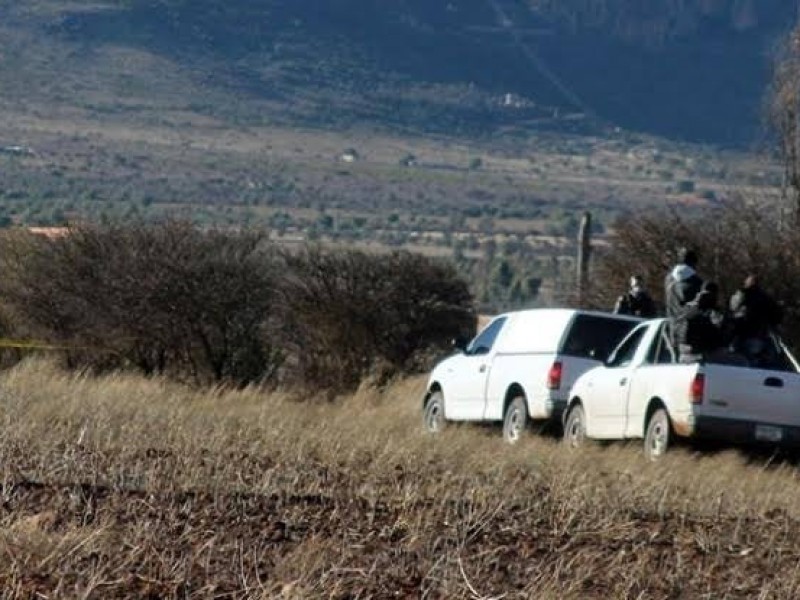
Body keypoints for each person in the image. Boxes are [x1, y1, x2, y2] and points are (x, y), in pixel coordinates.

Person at [729, 274, 782, 366]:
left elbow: (732, 307)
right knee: (753, 360)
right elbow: (777, 317)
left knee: (736, 360)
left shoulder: (743, 294)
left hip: (740, 334)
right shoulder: (766, 298)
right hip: (759, 336)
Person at [673, 281, 725, 363]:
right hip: (696, 351)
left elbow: (676, 323)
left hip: (691, 350)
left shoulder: (689, 306)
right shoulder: (695, 308)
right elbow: (719, 327)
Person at [664, 247, 704, 319]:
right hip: (689, 324)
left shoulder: (669, 278)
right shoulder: (697, 282)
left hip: (672, 322)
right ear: (693, 263)